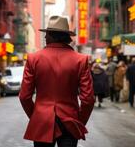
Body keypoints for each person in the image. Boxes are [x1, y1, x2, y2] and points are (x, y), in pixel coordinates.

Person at [19, 16, 95, 147]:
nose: (44, 38)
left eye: (47, 34)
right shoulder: (81, 60)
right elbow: (88, 99)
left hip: (42, 120)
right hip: (70, 121)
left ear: (53, 36)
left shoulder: (33, 59)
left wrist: (36, 116)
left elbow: (24, 96)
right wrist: (79, 122)